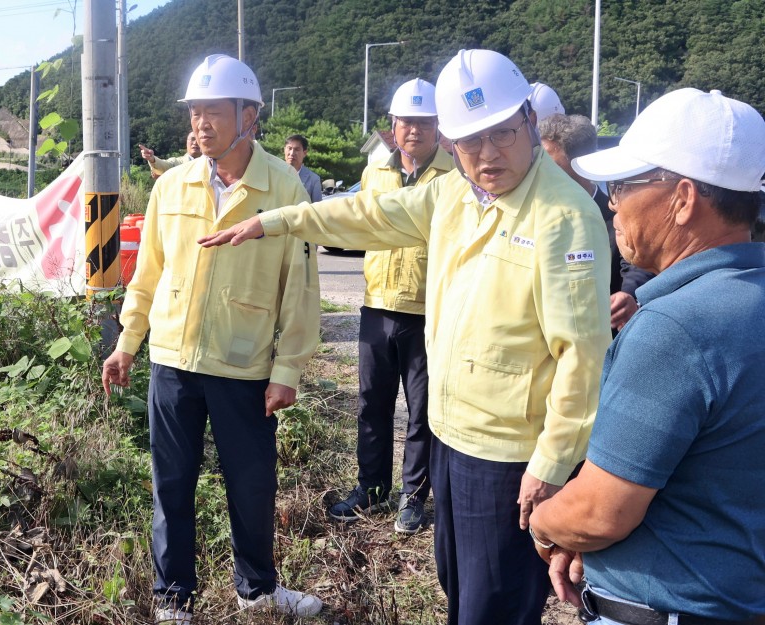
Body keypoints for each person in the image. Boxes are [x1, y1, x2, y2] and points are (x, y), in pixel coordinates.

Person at [199, 49, 611, 625]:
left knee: (495, 602)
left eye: (503, 134)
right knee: (457, 585)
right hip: (451, 435)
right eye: (470, 142)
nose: (489, 154)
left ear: (528, 122)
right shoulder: (453, 195)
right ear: (451, 143)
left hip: (509, 455)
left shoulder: (563, 215)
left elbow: (582, 357)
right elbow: (366, 215)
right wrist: (274, 220)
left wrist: (551, 462)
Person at [529, 87, 765, 624]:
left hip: (668, 605)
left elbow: (599, 511)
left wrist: (547, 524)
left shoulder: (675, 328)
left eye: (622, 186)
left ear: (683, 199)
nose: (612, 204)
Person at [100, 54, 322, 624]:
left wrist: (288, 368)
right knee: (170, 482)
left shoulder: (284, 185)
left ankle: (257, 590)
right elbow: (147, 272)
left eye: (214, 112)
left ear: (250, 116)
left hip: (244, 364)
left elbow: (298, 286)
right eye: (196, 112)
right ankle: (173, 598)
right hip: (173, 358)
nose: (201, 124)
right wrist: (129, 341)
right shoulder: (172, 186)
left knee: (251, 485)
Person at [326, 78, 453, 535]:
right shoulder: (374, 174)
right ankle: (371, 490)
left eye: (423, 122)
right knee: (371, 405)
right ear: (393, 127)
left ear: (438, 127)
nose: (414, 130)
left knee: (422, 411)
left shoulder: (454, 178)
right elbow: (358, 226)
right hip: (376, 307)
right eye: (406, 122)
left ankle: (413, 498)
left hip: (428, 312)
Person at [539, 113, 654, 332]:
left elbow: (637, 264)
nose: (541, 172)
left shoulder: (617, 215)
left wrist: (627, 295)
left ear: (581, 163)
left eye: (551, 165)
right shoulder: (532, 210)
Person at [282, 134, 323, 202]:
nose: (292, 153)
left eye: (296, 149)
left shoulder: (314, 180)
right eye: (289, 148)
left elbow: (316, 209)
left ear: (305, 153)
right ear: (284, 150)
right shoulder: (274, 173)